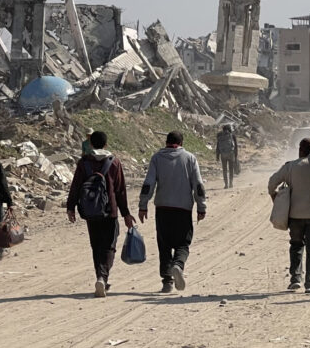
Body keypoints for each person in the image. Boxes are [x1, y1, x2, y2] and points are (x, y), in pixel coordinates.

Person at [66, 131, 133, 298]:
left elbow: (75, 186)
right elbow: (120, 190)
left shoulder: (84, 163)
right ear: (106, 144)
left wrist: (70, 207)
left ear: (91, 144)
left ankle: (100, 276)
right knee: (109, 246)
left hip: (90, 211)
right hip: (110, 211)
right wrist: (126, 213)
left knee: (96, 245)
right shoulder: (114, 163)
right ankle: (103, 277)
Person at [139, 131, 207, 293]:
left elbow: (148, 183)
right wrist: (201, 206)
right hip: (183, 209)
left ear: (166, 142)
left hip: (162, 208)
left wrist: (143, 205)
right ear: (181, 143)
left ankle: (167, 281)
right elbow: (198, 184)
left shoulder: (157, 158)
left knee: (164, 244)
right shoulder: (190, 159)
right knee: (183, 243)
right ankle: (178, 265)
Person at [268, 138, 310, 294]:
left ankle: (295, 279)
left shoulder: (290, 166)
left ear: (300, 149)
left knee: (296, 246)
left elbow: (272, 183)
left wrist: (275, 197)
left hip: (295, 216)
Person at [216, 124, 240, 189]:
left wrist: (217, 156)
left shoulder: (219, 135)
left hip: (223, 155)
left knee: (224, 169)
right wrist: (236, 155)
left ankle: (226, 184)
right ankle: (231, 183)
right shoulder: (232, 135)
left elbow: (218, 146)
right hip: (231, 154)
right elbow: (236, 146)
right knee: (231, 169)